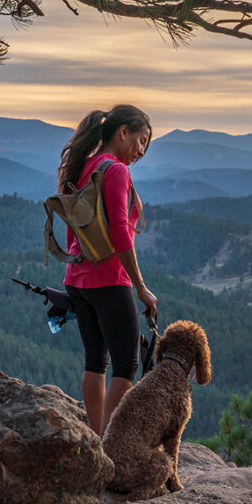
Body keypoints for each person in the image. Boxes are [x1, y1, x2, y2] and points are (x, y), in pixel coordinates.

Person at [57, 105, 156, 436]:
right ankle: (110, 444)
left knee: (95, 360)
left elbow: (74, 226)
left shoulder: (84, 167)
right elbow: (119, 234)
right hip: (109, 279)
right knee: (126, 364)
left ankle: (97, 440)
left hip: (78, 278)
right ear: (123, 132)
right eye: (141, 140)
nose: (141, 151)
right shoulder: (115, 171)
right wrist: (140, 287)